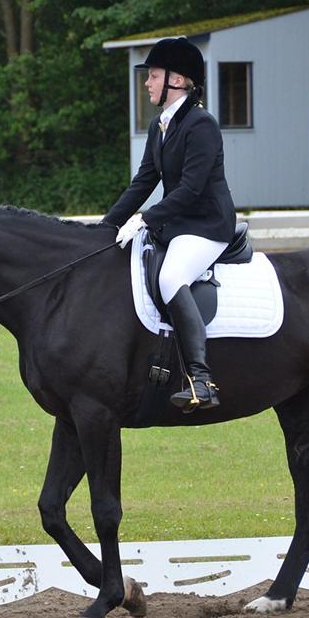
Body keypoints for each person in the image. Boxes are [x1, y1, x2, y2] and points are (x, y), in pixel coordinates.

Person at [102, 37, 237, 411]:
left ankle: (201, 379)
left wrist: (146, 218)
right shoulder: (160, 126)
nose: (147, 83)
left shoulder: (201, 125)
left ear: (177, 80)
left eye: (153, 76)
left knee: (170, 277)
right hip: (178, 224)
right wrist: (104, 227)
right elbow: (143, 182)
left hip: (208, 224)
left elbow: (193, 189)